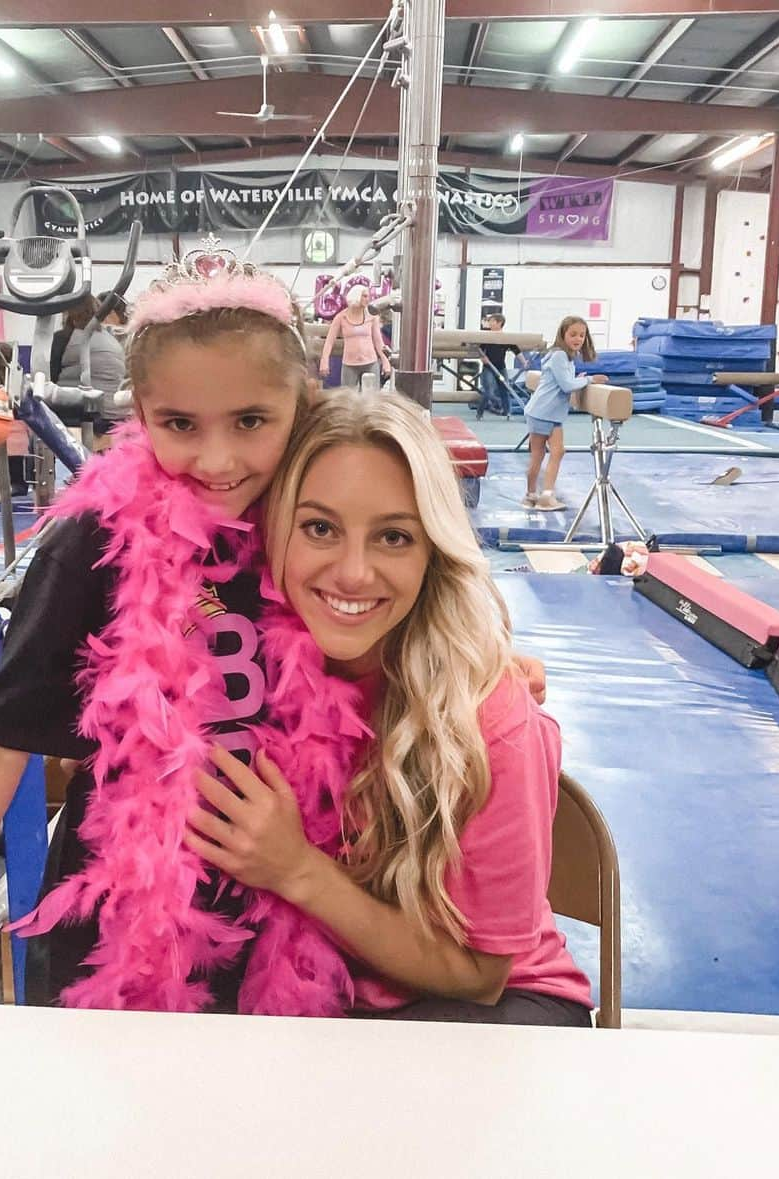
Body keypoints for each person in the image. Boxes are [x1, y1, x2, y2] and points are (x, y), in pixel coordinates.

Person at [0, 246, 548, 1090]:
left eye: (251, 422)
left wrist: (482, 656)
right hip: (127, 925)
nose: (218, 459)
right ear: (139, 414)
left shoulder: (316, 519)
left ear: (301, 406)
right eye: (180, 424)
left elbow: (407, 610)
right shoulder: (99, 547)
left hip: (304, 935)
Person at [188, 391, 592, 1025]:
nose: (353, 573)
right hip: (328, 1005)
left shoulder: (491, 723)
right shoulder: (240, 669)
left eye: (394, 537)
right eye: (320, 528)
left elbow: (482, 978)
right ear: (274, 532)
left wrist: (297, 871)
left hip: (486, 1013)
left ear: (433, 552)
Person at [523, 316, 607, 512]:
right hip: (546, 412)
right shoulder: (560, 355)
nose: (577, 339)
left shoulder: (565, 357)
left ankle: (531, 496)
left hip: (542, 411)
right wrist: (589, 380)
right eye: (573, 334)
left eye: (581, 335)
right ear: (563, 334)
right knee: (552, 452)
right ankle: (545, 496)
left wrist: (578, 378)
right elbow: (566, 386)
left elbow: (564, 380)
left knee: (540, 454)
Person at [319, 284, 391, 390]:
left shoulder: (372, 317)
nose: (368, 299)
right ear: (356, 296)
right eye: (364, 296)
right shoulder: (341, 317)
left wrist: (386, 362)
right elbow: (329, 341)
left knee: (372, 398)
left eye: (368, 296)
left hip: (370, 362)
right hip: (349, 363)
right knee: (348, 398)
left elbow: (378, 342)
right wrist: (324, 361)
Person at [475, 312, 514, 420]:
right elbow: (480, 349)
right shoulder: (487, 336)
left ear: (499, 323)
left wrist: (524, 361)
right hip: (488, 367)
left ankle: (507, 412)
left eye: (491, 321)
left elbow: (516, 349)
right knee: (488, 391)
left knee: (504, 389)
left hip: (501, 367)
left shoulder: (506, 338)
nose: (489, 323)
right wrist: (482, 358)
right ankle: (480, 413)